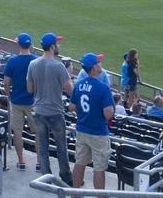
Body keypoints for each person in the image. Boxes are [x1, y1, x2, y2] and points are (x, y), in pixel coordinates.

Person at [26, 32, 72, 184]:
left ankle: (46, 178)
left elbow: (30, 89)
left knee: (43, 147)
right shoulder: (58, 66)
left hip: (39, 111)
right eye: (56, 44)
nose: (57, 46)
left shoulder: (33, 64)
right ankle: (66, 178)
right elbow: (70, 90)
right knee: (61, 148)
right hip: (55, 112)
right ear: (52, 46)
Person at [69, 52, 114, 191]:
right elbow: (108, 114)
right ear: (94, 67)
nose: (100, 65)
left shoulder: (79, 84)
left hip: (82, 129)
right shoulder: (103, 88)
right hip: (98, 132)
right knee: (99, 168)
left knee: (80, 162)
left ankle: (74, 193)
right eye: (98, 62)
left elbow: (72, 107)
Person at [3, 33, 37, 171]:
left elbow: (6, 83)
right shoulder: (37, 60)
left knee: (17, 132)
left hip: (16, 101)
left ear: (18, 44)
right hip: (34, 102)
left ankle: (21, 161)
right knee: (38, 133)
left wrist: (9, 95)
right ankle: (39, 163)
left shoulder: (12, 61)